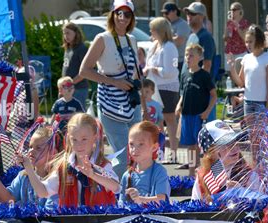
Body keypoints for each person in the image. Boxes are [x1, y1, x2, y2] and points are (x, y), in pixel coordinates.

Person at [80, 0, 144, 180]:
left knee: (138, 151)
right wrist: (114, 82)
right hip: (110, 102)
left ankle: (132, 191)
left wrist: (144, 104)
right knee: (123, 154)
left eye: (127, 14)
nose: (122, 18)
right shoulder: (103, 38)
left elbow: (136, 74)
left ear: (132, 18)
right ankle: (106, 188)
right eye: (119, 13)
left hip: (131, 102)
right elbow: (84, 71)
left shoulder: (132, 39)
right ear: (113, 15)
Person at [21, 113, 120, 207]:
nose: (79, 144)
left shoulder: (102, 164)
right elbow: (43, 192)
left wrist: (93, 175)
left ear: (95, 138)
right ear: (69, 139)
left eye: (84, 139)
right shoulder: (63, 167)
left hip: (101, 222)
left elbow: (116, 187)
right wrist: (29, 168)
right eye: (74, 140)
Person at [192, 120, 260, 223]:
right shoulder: (203, 176)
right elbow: (194, 208)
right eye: (225, 144)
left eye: (234, 142)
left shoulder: (248, 174)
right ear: (211, 151)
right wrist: (210, 202)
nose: (234, 147)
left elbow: (260, 207)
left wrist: (241, 193)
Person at [0, 126, 59, 208]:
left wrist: (29, 169)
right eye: (30, 147)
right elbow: (9, 199)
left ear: (53, 153)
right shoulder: (23, 175)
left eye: (38, 148)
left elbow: (50, 212)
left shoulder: (55, 179)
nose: (31, 151)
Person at [175, 43, 217, 177]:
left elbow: (214, 95)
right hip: (186, 114)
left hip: (198, 116)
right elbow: (183, 92)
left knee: (202, 146)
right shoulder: (185, 74)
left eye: (191, 55)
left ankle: (205, 171)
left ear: (199, 57)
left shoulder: (204, 75)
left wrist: (207, 112)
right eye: (187, 55)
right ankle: (192, 172)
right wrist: (179, 104)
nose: (188, 57)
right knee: (190, 146)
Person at [144, 17, 180, 164]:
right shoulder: (154, 46)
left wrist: (154, 69)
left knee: (169, 120)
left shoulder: (170, 47)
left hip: (167, 88)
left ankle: (173, 153)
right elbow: (147, 64)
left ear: (160, 31)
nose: (150, 32)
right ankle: (160, 153)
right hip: (155, 88)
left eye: (153, 29)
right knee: (157, 121)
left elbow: (170, 71)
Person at [228, 25, 268, 116]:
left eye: (250, 42)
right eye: (246, 42)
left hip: (262, 103)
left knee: (261, 130)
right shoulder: (246, 58)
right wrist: (232, 68)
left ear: (258, 41)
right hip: (248, 102)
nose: (248, 45)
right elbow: (241, 83)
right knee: (250, 130)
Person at [119, 121, 170, 204]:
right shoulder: (127, 175)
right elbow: (121, 204)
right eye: (131, 144)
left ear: (154, 147)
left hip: (154, 217)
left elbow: (161, 200)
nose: (134, 149)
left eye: (141, 144)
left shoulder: (159, 172)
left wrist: (140, 199)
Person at [182, 2, 216, 79]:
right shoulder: (191, 36)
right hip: (188, 84)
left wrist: (200, 84)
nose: (189, 16)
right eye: (188, 13)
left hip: (199, 87)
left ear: (202, 17)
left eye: (193, 13)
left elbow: (207, 64)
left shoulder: (206, 37)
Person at [62, 22, 89, 109]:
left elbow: (85, 71)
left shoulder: (82, 48)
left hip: (78, 89)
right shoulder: (68, 48)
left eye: (68, 33)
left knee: (78, 115)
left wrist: (71, 83)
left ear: (76, 33)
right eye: (64, 33)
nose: (66, 36)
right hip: (67, 88)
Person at [161, 1, 191, 74]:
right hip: (167, 58)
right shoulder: (166, 24)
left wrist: (163, 38)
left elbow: (179, 41)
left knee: (176, 79)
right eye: (164, 13)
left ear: (174, 11)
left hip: (178, 60)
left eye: (167, 13)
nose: (165, 15)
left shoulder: (182, 24)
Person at [224, 2, 250, 71]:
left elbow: (244, 38)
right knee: (230, 74)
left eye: (234, 10)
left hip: (241, 52)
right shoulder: (229, 23)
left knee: (240, 73)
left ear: (240, 11)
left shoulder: (244, 23)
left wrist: (237, 26)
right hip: (230, 53)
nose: (232, 12)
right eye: (231, 10)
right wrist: (227, 30)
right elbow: (225, 38)